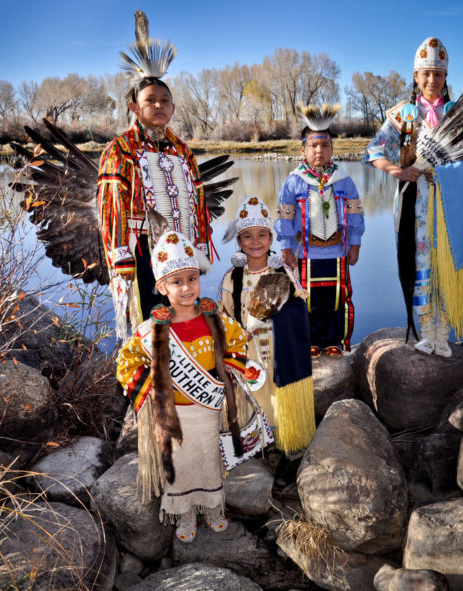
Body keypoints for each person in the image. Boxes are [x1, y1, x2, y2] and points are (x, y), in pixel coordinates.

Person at [116, 219, 252, 544]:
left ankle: (213, 509)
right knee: (180, 464)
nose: (187, 287)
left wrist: (231, 370)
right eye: (177, 282)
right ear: (162, 287)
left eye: (192, 278)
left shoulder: (216, 319)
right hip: (174, 412)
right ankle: (185, 513)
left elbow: (238, 344)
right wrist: (150, 388)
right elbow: (126, 361)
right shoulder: (152, 329)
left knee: (208, 460)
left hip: (208, 408)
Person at [366, 36, 463, 357]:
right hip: (416, 206)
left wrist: (450, 171)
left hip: (452, 204)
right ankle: (427, 330)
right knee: (420, 262)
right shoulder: (403, 115)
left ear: (446, 77)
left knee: (450, 265)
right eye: (425, 73)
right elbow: (374, 152)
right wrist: (398, 171)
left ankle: (445, 331)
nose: (432, 80)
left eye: (438, 74)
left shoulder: (457, 113)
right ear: (415, 76)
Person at [98, 10, 211, 337]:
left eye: (165, 100)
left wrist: (200, 244)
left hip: (183, 246)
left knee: (185, 313)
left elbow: (198, 200)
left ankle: (183, 376)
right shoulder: (121, 150)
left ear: (173, 108)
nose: (159, 105)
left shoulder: (182, 150)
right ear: (134, 105)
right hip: (141, 248)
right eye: (151, 100)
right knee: (150, 319)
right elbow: (112, 208)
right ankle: (146, 381)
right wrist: (120, 254)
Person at [220, 196, 316, 454]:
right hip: (249, 350)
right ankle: (261, 443)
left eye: (262, 235)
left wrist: (281, 317)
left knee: (281, 392)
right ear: (239, 242)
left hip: (280, 347)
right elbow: (226, 314)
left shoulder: (282, 272)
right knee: (257, 393)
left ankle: (288, 440)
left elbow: (298, 305)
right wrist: (237, 334)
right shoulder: (232, 278)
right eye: (248, 237)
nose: (255, 242)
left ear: (271, 240)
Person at [274, 104, 364, 358]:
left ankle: (336, 341)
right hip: (306, 254)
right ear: (302, 149)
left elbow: (355, 212)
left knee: (338, 298)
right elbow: (285, 215)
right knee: (307, 299)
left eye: (325, 146)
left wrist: (355, 243)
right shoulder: (294, 181)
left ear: (332, 149)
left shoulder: (343, 180)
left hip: (337, 253)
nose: (319, 151)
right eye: (313, 146)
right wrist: (286, 247)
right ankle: (310, 341)